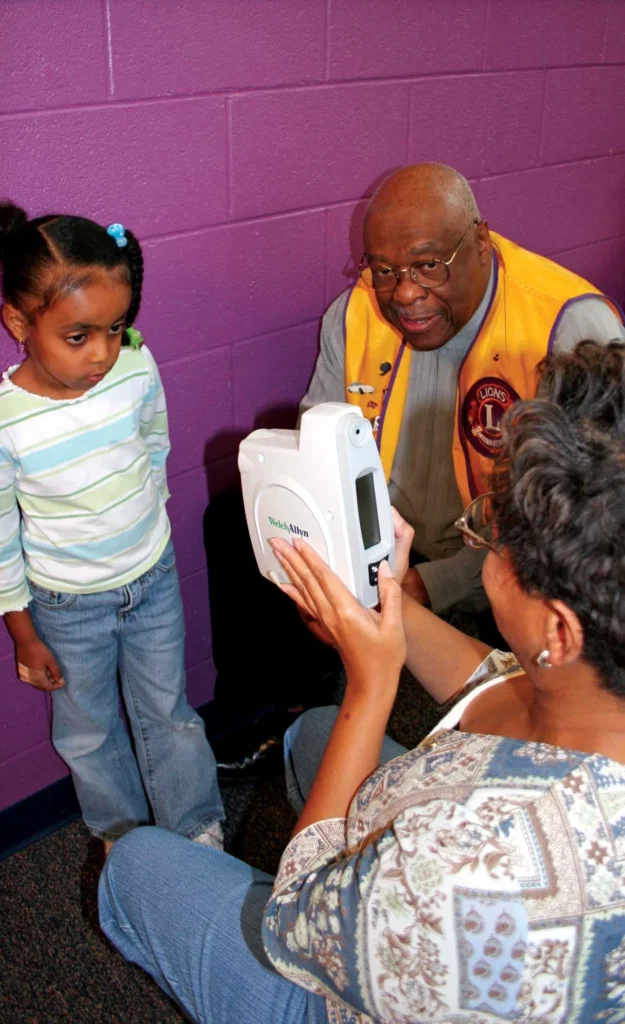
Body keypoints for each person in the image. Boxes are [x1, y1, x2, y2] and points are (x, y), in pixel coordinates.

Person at [99, 341, 625, 1022]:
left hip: (353, 953)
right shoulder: (589, 688)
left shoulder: (483, 872)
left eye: (498, 539)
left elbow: (292, 917)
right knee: (312, 735)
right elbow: (499, 686)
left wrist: (369, 690)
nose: (487, 543)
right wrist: (388, 608)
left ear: (559, 633)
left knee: (135, 866)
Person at [0, 202, 224, 852]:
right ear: (19, 323)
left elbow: (154, 443)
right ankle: (125, 841)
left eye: (116, 328)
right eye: (78, 336)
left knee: (170, 715)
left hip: (152, 579)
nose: (104, 353)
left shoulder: (136, 366)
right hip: (66, 606)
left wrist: (148, 521)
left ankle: (196, 830)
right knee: (88, 731)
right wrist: (23, 634)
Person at [302, 163, 625, 615]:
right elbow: (317, 463)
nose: (405, 294)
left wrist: (432, 584)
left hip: (523, 584)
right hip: (387, 559)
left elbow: (589, 520)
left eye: (428, 265)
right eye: (384, 269)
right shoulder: (353, 313)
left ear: (479, 242)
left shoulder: (568, 328)